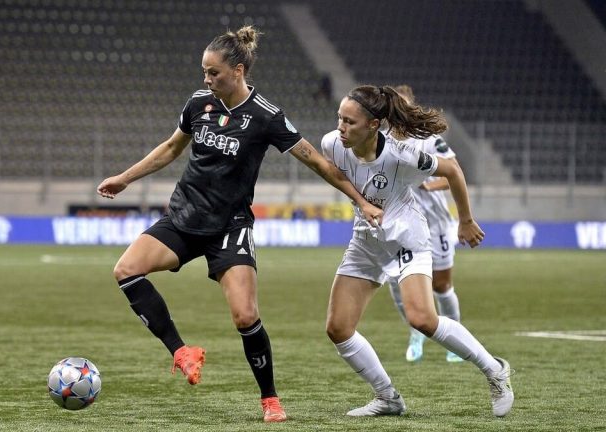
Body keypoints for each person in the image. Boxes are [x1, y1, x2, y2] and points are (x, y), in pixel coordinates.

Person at [96, 26, 382, 423]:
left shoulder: (266, 116)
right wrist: (125, 178)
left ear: (239, 70)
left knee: (245, 316)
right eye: (204, 72)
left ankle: (270, 401)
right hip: (183, 217)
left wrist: (362, 201)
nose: (206, 80)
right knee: (126, 270)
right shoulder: (198, 104)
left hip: (229, 228)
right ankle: (181, 351)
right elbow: (170, 148)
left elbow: (317, 161)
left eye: (213, 73)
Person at [320, 85, 514, 417]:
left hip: (407, 239)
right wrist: (363, 204)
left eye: (350, 122)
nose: (341, 127)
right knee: (338, 328)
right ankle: (388, 398)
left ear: (374, 124)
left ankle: (495, 369)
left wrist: (465, 220)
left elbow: (452, 170)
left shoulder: (401, 156)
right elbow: (338, 174)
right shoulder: (332, 144)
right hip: (367, 241)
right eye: (340, 118)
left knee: (422, 318)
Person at [387, 85, 464, 363]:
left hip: (436, 224)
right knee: (397, 281)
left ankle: (455, 341)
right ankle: (415, 331)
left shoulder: (428, 139)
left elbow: (453, 173)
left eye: (404, 107)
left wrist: (431, 185)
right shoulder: (381, 141)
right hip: (403, 225)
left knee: (442, 285)